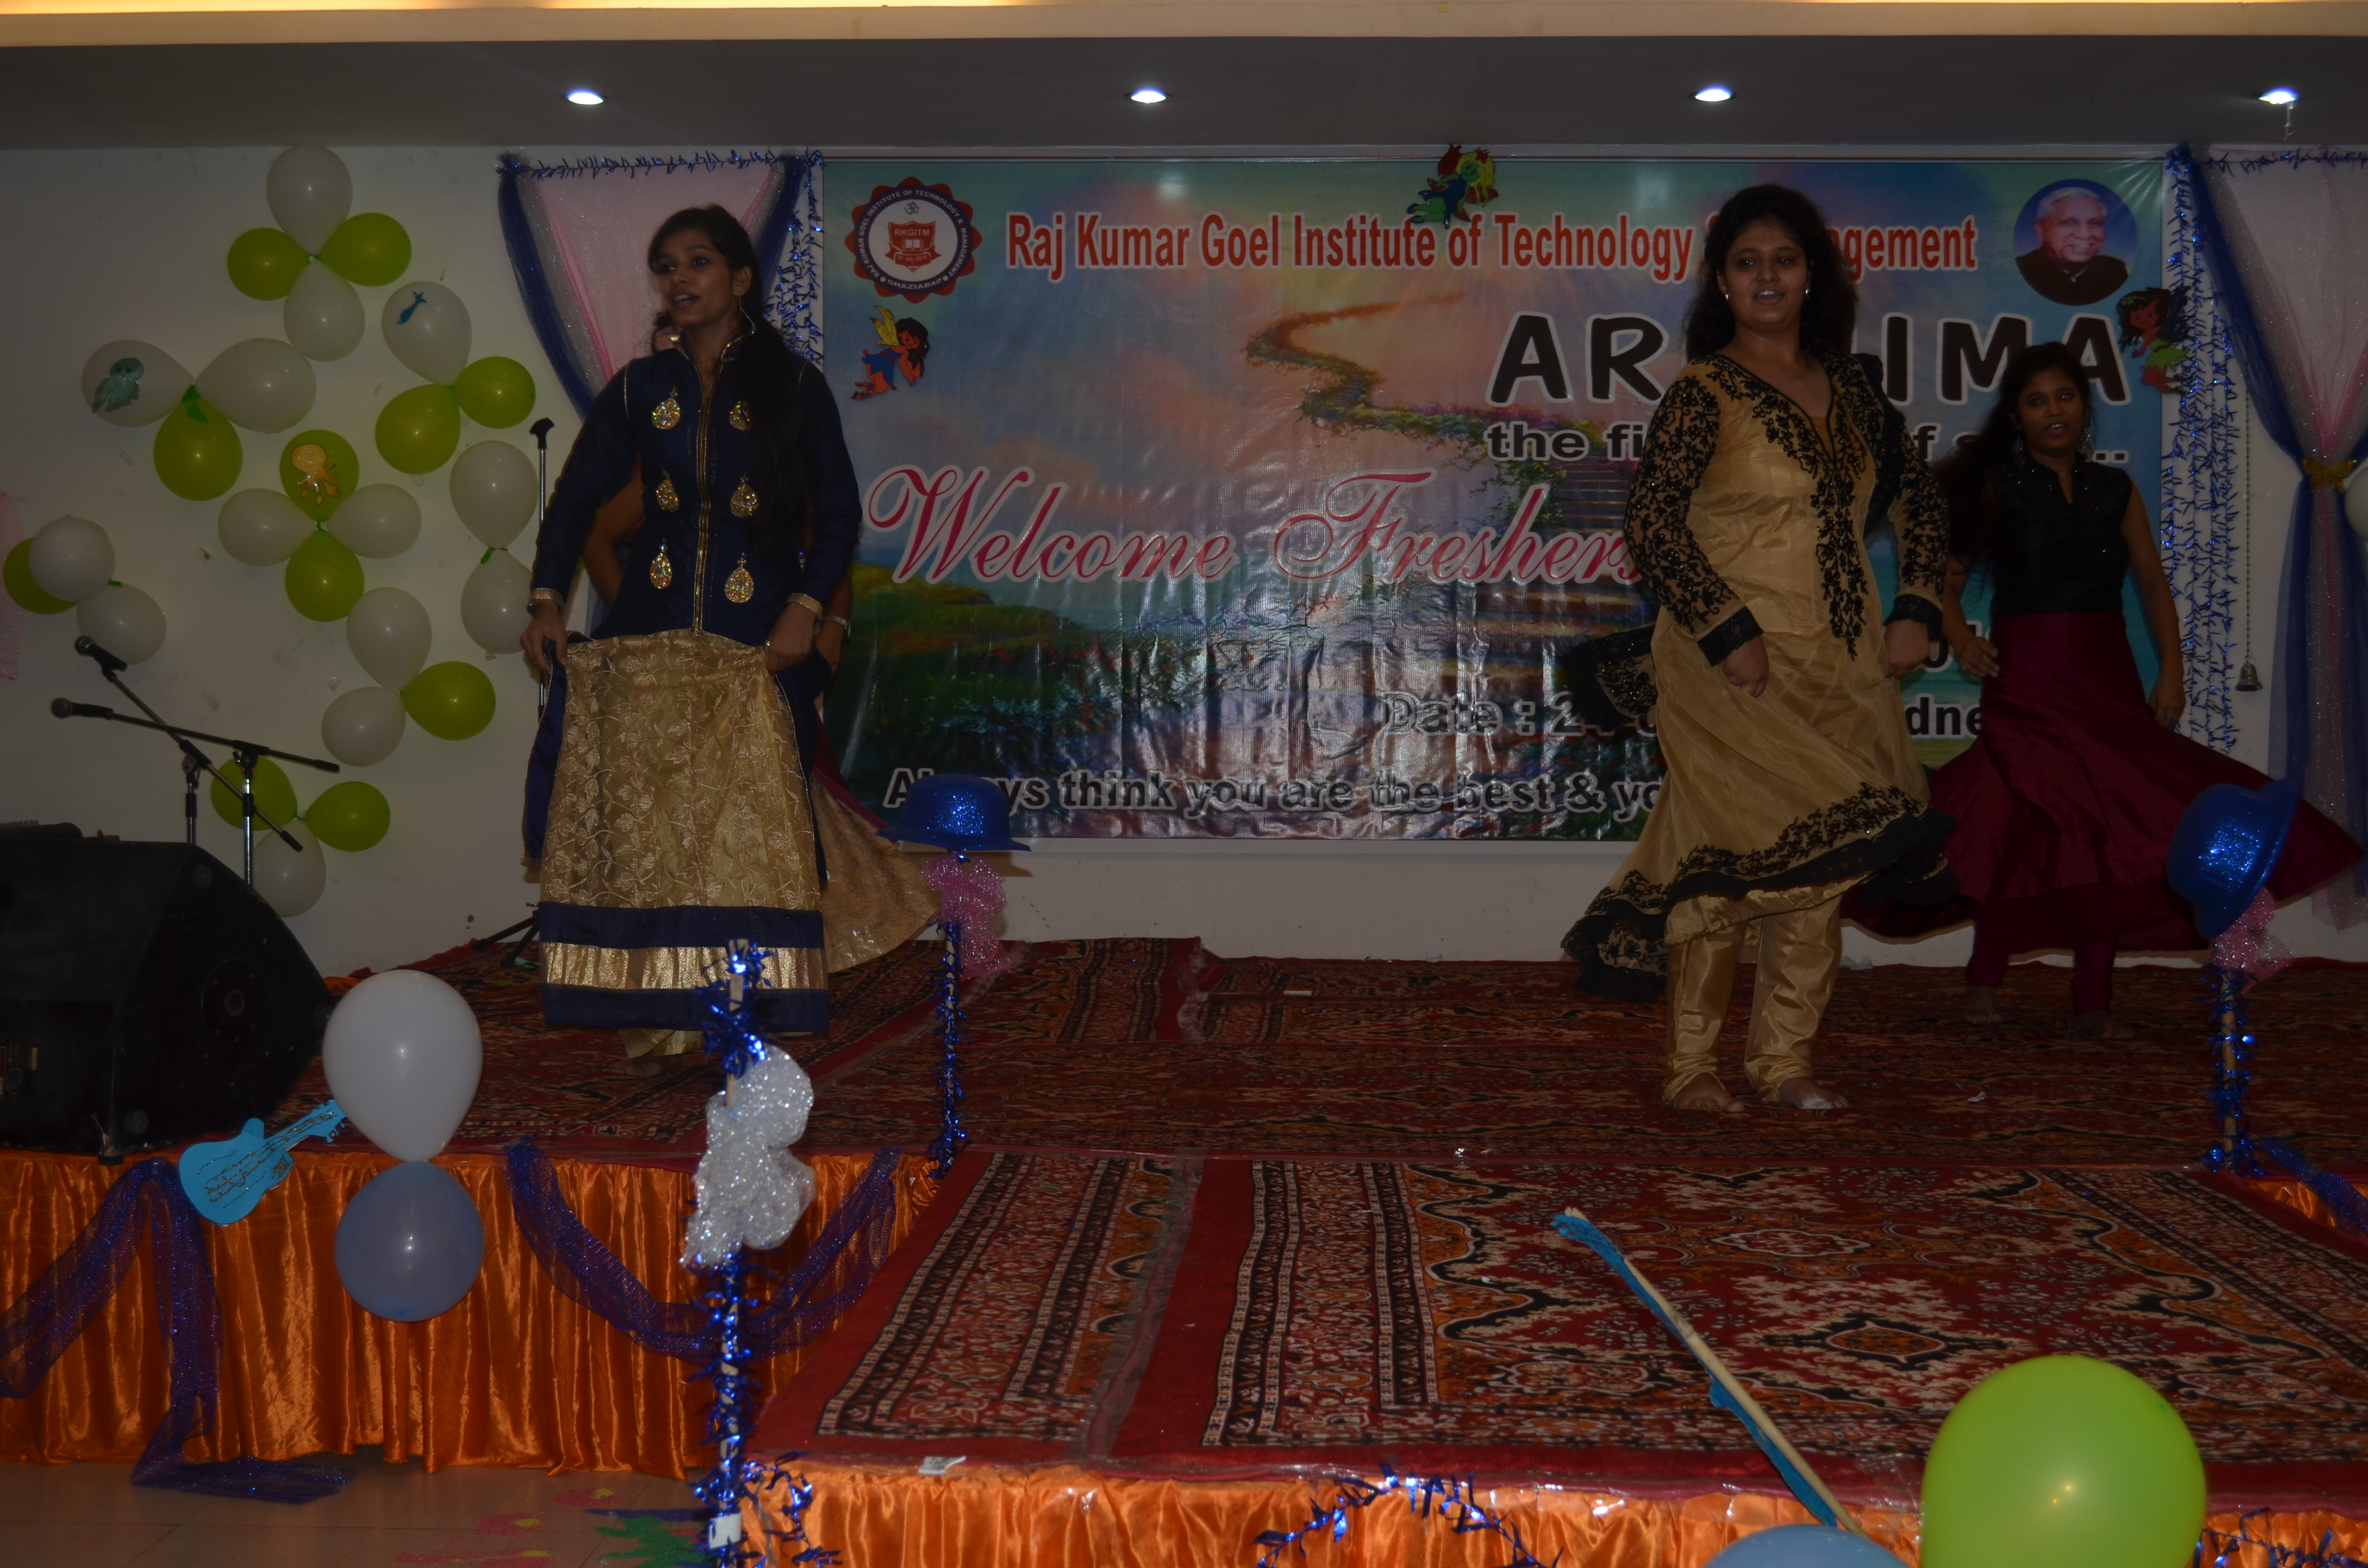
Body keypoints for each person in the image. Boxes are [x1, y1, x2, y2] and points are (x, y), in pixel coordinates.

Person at [1562, 184, 1955, 1116]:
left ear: (1811, 274)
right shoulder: (1703, 393)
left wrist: (1916, 604)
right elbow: (1652, 524)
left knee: (1817, 870)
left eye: (1783, 259)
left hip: (1841, 668)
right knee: (1724, 862)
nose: (1766, 277)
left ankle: (1783, 1061)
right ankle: (1691, 1065)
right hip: (1728, 670)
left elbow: (1920, 502)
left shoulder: (1855, 391)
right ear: (1721, 282)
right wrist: (1726, 631)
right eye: (1746, 263)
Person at [1892, 343, 2359, 1033]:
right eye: (2036, 401)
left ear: (2084, 407)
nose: (2053, 411)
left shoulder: (2116, 490)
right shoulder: (1993, 488)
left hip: (2106, 678)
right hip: (2028, 680)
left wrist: (2171, 668)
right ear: (2016, 418)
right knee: (2024, 823)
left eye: (2065, 397)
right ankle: (1984, 975)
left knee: (2114, 835)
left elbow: (2150, 582)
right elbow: (1943, 587)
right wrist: (1960, 639)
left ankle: (2093, 995)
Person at [520, 204, 861, 1064]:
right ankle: (665, 1009)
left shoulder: (792, 388)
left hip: (756, 644)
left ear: (740, 279)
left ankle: (743, 1011)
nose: (680, 278)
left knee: (744, 837)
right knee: (659, 833)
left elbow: (840, 515)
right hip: (655, 640)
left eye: (698, 262)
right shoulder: (641, 389)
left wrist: (808, 607)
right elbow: (576, 499)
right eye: (667, 266)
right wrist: (546, 599)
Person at [578, 477, 938, 977]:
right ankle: (682, 964)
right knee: (672, 820)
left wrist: (833, 631)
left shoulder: (777, 466)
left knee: (763, 816)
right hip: (670, 681)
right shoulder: (662, 465)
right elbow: (597, 540)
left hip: (759, 669)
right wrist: (642, 620)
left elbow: (829, 552)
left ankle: (755, 965)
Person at [2016, 185, 2130, 306]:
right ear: (2041, 230)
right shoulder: (2020, 271)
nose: (2085, 235)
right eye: (2068, 223)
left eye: (2094, 223)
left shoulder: (2113, 272)